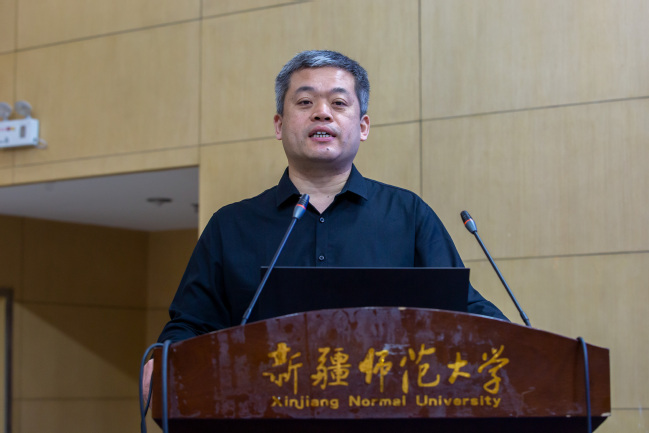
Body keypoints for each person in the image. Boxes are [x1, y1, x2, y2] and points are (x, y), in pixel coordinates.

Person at [143, 50, 507, 395]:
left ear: (363, 126)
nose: (322, 113)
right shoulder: (231, 226)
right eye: (305, 102)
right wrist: (165, 361)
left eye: (338, 103)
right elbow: (192, 325)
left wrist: (523, 345)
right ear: (279, 125)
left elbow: (462, 310)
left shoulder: (408, 215)